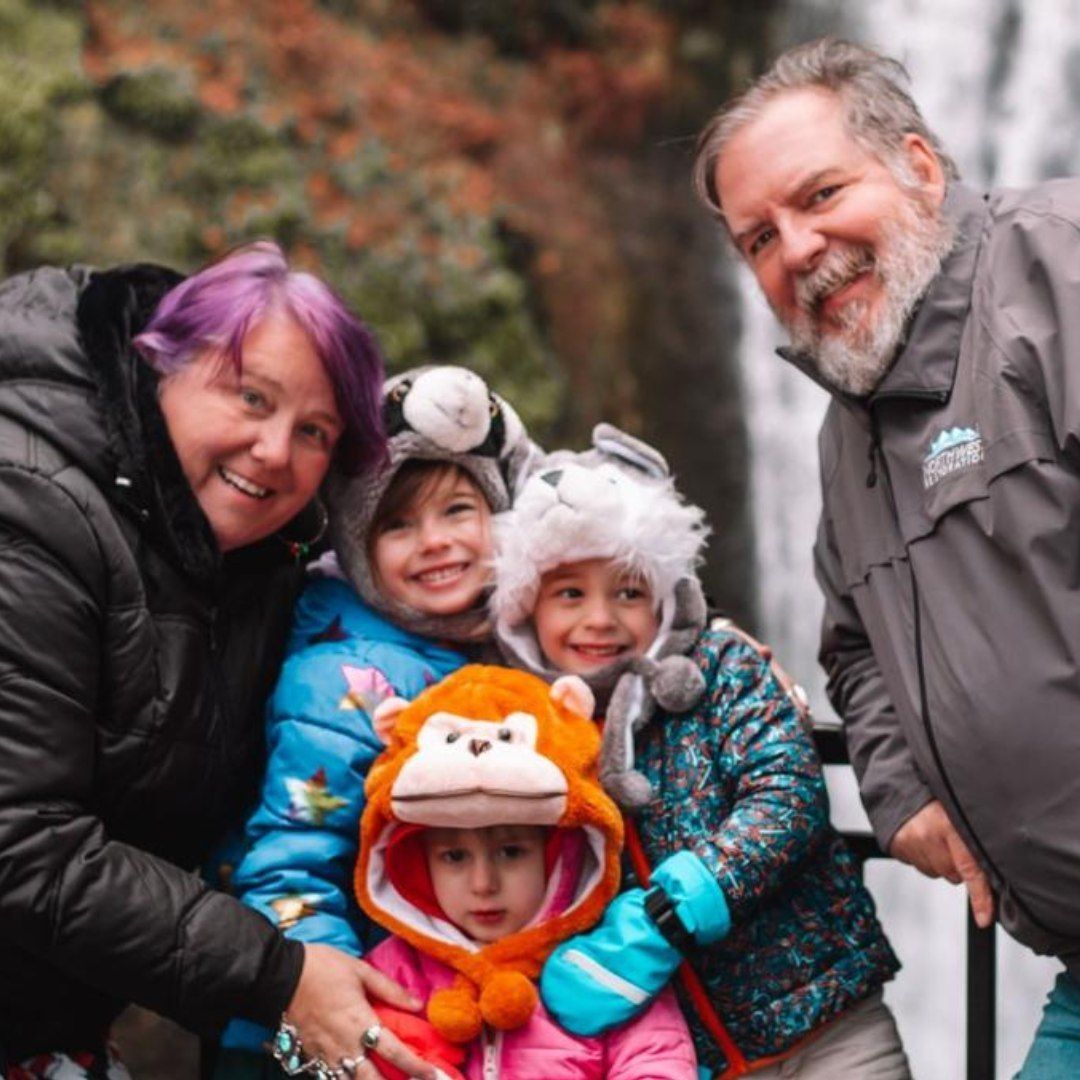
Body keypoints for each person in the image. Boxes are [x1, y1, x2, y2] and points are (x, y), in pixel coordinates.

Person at [692, 36, 1080, 1073]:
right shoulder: (845, 431)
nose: (799, 248)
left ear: (919, 164)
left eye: (820, 194)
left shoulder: (1059, 267)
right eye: (758, 238)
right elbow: (853, 644)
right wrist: (901, 791)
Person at [0, 240, 450, 1079]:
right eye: (251, 396)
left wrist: (677, 634)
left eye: (313, 431)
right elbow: (17, 839)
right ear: (158, 365)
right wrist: (276, 978)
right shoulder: (31, 509)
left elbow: (446, 598)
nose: (276, 451)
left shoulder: (261, 566)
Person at [492, 427, 907, 1079]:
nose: (600, 619)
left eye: (628, 591)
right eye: (570, 594)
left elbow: (788, 797)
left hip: (829, 1022)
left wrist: (675, 908)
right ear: (526, 606)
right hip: (687, 1058)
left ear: (663, 593)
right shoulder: (518, 725)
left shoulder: (721, 666)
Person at [215, 365, 540, 1075]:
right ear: (360, 552)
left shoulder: (513, 653)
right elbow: (289, 868)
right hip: (328, 1032)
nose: (435, 541)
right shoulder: (346, 681)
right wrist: (344, 1025)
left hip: (452, 1017)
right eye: (396, 524)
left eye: (457, 510)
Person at [353, 663, 698, 1079]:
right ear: (415, 863)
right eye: (454, 857)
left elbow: (658, 1063)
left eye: (511, 852)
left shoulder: (608, 962)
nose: (484, 884)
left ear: (560, 855)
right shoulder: (393, 974)